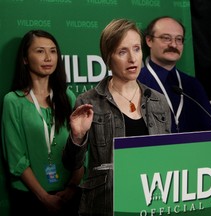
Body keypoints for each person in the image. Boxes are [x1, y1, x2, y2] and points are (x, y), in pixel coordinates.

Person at [62, 18, 171, 215]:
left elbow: (167, 158)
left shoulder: (158, 101)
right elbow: (72, 164)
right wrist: (77, 136)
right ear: (108, 57)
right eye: (122, 51)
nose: (132, 58)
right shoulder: (89, 102)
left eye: (137, 49)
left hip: (151, 202)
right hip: (106, 205)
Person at [1, 30, 84, 216]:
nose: (48, 57)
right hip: (30, 198)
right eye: (40, 51)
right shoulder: (13, 101)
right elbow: (16, 158)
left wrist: (72, 187)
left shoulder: (68, 97)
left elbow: (79, 146)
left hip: (68, 194)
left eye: (53, 51)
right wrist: (43, 197)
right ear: (24, 59)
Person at [138, 16, 211, 133]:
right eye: (166, 38)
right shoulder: (136, 82)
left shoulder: (192, 85)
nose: (174, 45)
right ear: (149, 41)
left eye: (179, 39)